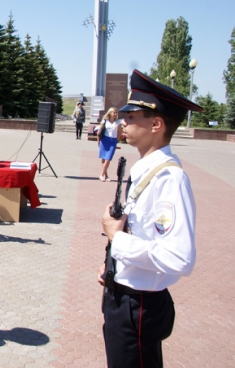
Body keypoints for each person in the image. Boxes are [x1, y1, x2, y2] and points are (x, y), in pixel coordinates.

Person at [98, 69, 203, 368]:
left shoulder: (170, 179)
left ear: (156, 124)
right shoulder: (146, 169)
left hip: (140, 304)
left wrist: (118, 240)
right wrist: (113, 264)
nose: (124, 122)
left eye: (132, 117)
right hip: (123, 295)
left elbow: (180, 257)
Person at [98, 107, 119, 181]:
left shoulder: (117, 122)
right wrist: (98, 142)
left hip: (113, 142)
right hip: (104, 140)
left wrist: (117, 140)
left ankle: (101, 174)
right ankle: (105, 175)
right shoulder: (105, 121)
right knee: (104, 158)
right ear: (110, 113)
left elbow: (119, 132)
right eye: (114, 112)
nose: (115, 114)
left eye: (116, 112)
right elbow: (99, 132)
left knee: (108, 159)